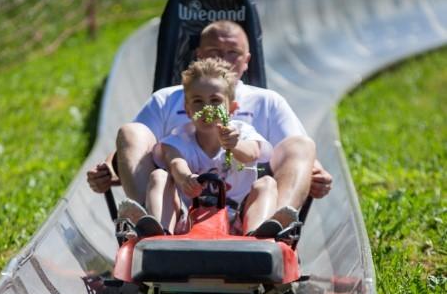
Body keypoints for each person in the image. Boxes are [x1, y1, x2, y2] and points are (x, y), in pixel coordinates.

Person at [87, 21, 331, 227]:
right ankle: (153, 225)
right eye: (214, 51)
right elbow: (133, 144)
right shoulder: (168, 99)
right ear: (200, 56)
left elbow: (297, 149)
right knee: (131, 131)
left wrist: (315, 174)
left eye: (232, 52)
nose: (223, 59)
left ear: (246, 60)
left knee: (302, 145)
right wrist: (109, 168)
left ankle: (273, 227)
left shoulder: (267, 101)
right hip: (180, 202)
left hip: (245, 201)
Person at [139, 57, 278, 237]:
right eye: (198, 101)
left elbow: (252, 154)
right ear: (188, 110)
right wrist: (186, 178)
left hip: (237, 217)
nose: (207, 107)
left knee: (267, 183)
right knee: (159, 176)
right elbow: (175, 163)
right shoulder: (178, 139)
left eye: (215, 100)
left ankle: (258, 234)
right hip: (187, 218)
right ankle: (160, 231)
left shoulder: (242, 133)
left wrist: (235, 145)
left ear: (231, 109)